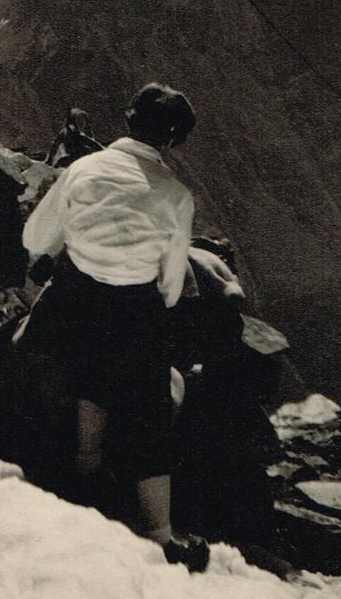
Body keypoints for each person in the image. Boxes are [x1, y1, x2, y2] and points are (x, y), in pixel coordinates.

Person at [20, 82, 210, 573]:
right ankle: (161, 535)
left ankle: (83, 472)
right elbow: (170, 284)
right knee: (150, 405)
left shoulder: (82, 169)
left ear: (127, 121)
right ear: (171, 141)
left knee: (89, 376)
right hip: (131, 311)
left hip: (74, 304)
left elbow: (37, 237)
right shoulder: (175, 195)